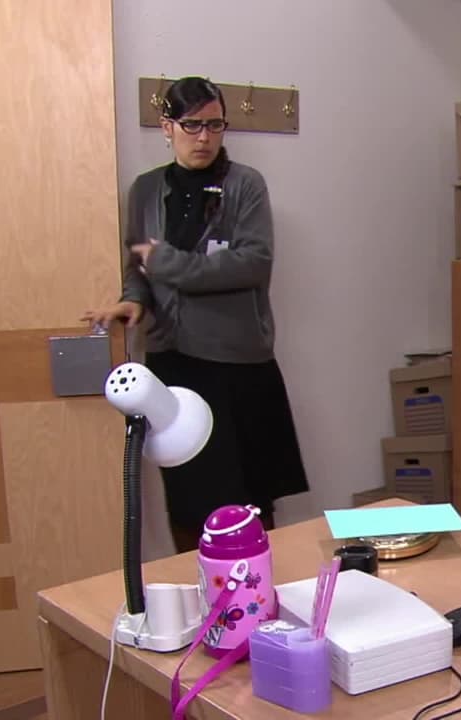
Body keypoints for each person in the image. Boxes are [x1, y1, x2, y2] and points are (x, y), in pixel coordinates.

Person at [83, 76, 308, 552]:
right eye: (192, 125)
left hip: (238, 363)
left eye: (215, 125)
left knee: (249, 500)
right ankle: (197, 586)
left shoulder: (245, 184)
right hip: (174, 363)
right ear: (167, 127)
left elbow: (252, 263)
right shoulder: (146, 190)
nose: (204, 137)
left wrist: (165, 262)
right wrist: (133, 300)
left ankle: (253, 586)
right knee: (187, 499)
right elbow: (137, 266)